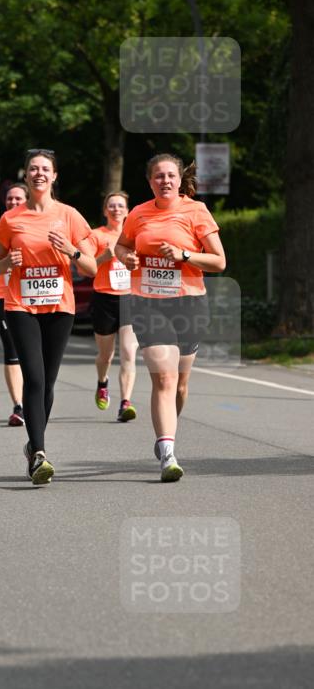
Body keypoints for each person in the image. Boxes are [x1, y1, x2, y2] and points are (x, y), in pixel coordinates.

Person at [0, 149, 102, 485]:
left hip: (59, 307)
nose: (39, 173)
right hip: (21, 305)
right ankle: (39, 452)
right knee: (34, 378)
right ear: (26, 175)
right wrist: (7, 264)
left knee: (48, 382)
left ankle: (32, 445)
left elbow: (91, 267)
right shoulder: (11, 220)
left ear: (54, 176)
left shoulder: (69, 216)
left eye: (45, 169)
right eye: (33, 168)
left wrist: (72, 251)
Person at [115, 153, 226, 482]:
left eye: (170, 176)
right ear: (150, 181)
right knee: (162, 379)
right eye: (158, 176)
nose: (164, 181)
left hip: (189, 303)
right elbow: (121, 246)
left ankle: (167, 434)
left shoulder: (196, 211)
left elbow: (219, 262)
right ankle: (168, 452)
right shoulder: (138, 214)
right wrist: (128, 258)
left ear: (180, 181)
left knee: (179, 385)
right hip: (148, 303)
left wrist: (185, 255)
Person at [90, 191, 139, 422]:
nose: (116, 209)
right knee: (106, 355)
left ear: (127, 211)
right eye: (112, 206)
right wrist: (103, 258)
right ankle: (102, 383)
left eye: (120, 206)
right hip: (104, 299)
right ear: (105, 211)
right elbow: (85, 268)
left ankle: (125, 402)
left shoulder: (135, 236)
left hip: (130, 298)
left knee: (129, 351)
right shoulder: (96, 235)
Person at [0, 182, 28, 426]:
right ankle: (19, 406)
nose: (13, 202)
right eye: (10, 199)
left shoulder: (41, 224)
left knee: (36, 355)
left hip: (35, 298)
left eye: (18, 198)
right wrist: (8, 262)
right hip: (5, 296)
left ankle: (35, 400)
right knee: (12, 353)